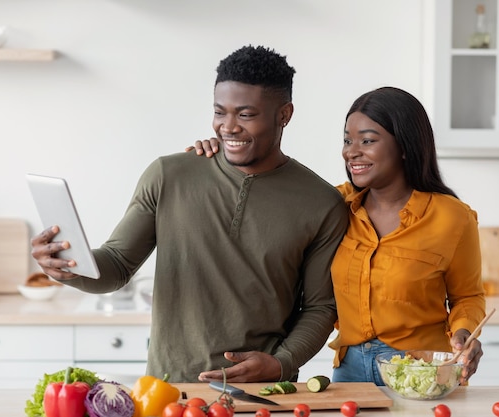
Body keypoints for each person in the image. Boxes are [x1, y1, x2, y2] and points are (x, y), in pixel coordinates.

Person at [30, 45, 348, 383]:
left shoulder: (321, 202)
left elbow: (320, 307)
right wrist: (68, 266)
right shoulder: (169, 174)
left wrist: (281, 363)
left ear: (284, 114)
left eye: (245, 114)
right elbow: (118, 266)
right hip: (167, 388)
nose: (228, 127)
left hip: (260, 393)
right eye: (220, 112)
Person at [189, 86, 486, 385]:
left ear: (405, 145)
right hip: (350, 369)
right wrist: (225, 156)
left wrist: (463, 334)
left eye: (367, 140)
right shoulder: (333, 206)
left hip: (422, 373)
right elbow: (266, 197)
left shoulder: (452, 218)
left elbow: (467, 296)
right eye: (347, 140)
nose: (351, 151)